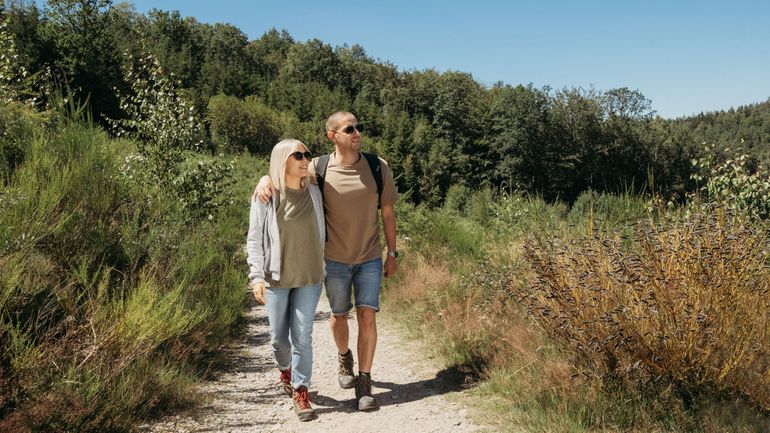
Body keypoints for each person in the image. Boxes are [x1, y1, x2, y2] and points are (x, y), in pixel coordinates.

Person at [253, 111, 398, 411]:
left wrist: (392, 253)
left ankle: (362, 382)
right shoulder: (318, 167)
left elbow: (387, 212)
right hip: (332, 261)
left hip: (366, 257)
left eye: (359, 127)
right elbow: (283, 175)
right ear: (332, 135)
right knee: (333, 319)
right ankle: (342, 356)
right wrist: (264, 178)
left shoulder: (376, 166)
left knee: (364, 316)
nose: (357, 132)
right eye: (349, 129)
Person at [246, 139, 326, 422]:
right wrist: (256, 276)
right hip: (276, 279)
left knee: (303, 335)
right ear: (282, 160)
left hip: (310, 276)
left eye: (307, 155)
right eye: (298, 156)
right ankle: (285, 370)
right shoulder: (267, 197)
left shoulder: (315, 191)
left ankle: (301, 390)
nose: (306, 160)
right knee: (279, 339)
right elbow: (254, 239)